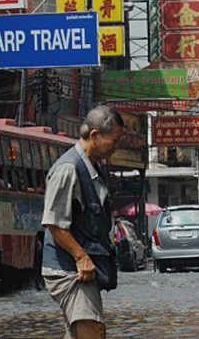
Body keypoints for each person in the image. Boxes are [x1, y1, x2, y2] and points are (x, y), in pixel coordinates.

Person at [41, 106, 124, 339]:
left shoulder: (94, 168)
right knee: (93, 332)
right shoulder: (68, 170)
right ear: (95, 136)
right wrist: (81, 257)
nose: (116, 147)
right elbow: (53, 223)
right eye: (114, 140)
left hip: (81, 268)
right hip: (68, 270)